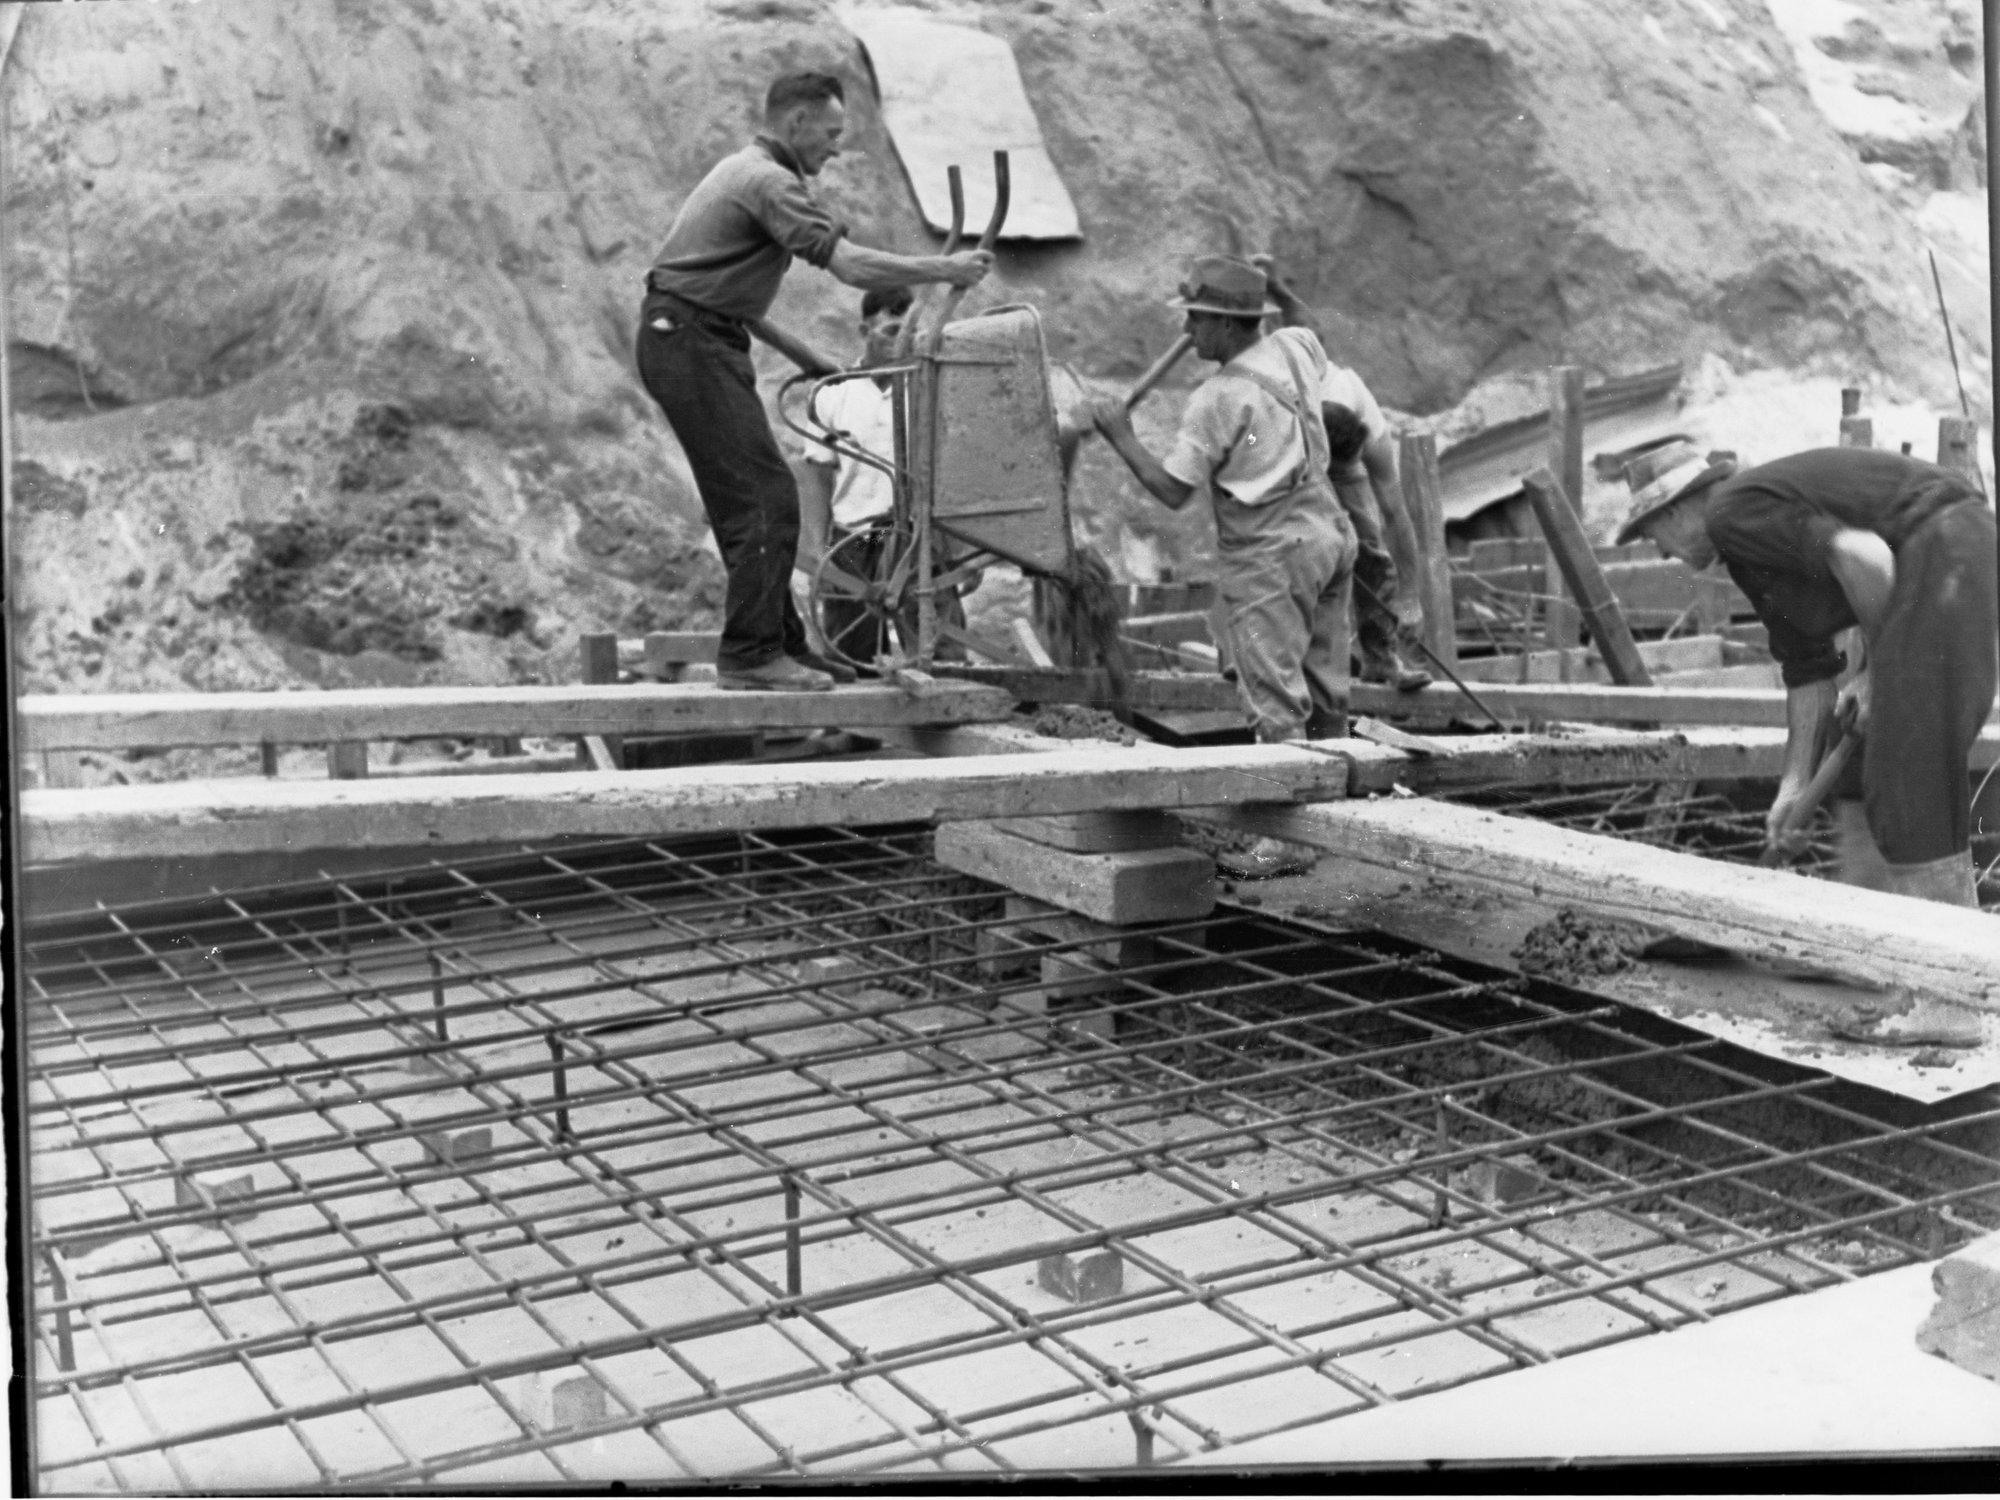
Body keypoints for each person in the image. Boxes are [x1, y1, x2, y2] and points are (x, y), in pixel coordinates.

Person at [636, 70, 991, 692]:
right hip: (691, 342)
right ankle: (750, 655)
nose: (834, 148)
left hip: (690, 335)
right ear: (795, 122)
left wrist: (811, 360)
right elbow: (851, 267)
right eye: (829, 134)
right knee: (769, 497)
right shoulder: (770, 182)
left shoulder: (747, 172)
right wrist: (946, 267)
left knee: (748, 502)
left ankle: (782, 647)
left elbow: (726, 299)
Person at [1615, 439, 1998, 907]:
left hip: (1944, 545)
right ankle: (1867, 930)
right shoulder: (1746, 549)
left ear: (1674, 512)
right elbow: (1807, 670)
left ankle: (1948, 960)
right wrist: (1793, 787)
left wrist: (1877, 672)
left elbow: (1866, 557)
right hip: (1937, 557)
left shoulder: (1730, 514)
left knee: (1907, 772)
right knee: (1860, 765)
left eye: (1653, 535)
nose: (1659, 554)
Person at [1091, 256, 1359, 877]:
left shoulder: (1217, 398)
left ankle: (1290, 835)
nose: (1187, 330)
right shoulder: (1293, 347)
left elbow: (1173, 489)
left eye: (1196, 318)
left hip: (1271, 554)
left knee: (1273, 695)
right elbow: (1310, 324)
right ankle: (1342, 817)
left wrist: (1119, 433)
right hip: (1327, 533)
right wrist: (1284, 286)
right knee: (1325, 686)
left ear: (1227, 324)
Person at [1256, 257, 1432, 691]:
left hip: (1329, 456)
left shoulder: (1361, 411)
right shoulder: (1283, 387)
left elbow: (1396, 514)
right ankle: (1274, 660)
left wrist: (1410, 599)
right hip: (1288, 461)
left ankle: (1380, 659)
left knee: (1369, 551)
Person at [795, 287, 907, 666]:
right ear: (863, 331)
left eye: (908, 333)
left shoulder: (925, 389)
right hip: (853, 540)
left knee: (938, 649)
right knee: (851, 655)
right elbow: (817, 475)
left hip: (912, 538)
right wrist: (816, 552)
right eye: (890, 331)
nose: (900, 342)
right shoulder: (833, 394)